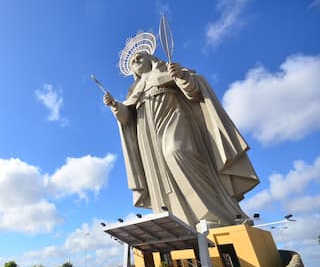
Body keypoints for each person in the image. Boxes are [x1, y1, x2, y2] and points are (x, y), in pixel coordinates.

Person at [103, 45, 259, 227]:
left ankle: (220, 214)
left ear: (150, 58)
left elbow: (194, 90)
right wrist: (115, 106)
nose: (136, 63)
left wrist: (181, 76)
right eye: (132, 63)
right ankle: (181, 222)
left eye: (139, 57)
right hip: (147, 136)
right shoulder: (134, 90)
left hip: (172, 117)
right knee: (158, 175)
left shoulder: (166, 70)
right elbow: (127, 118)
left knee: (176, 152)